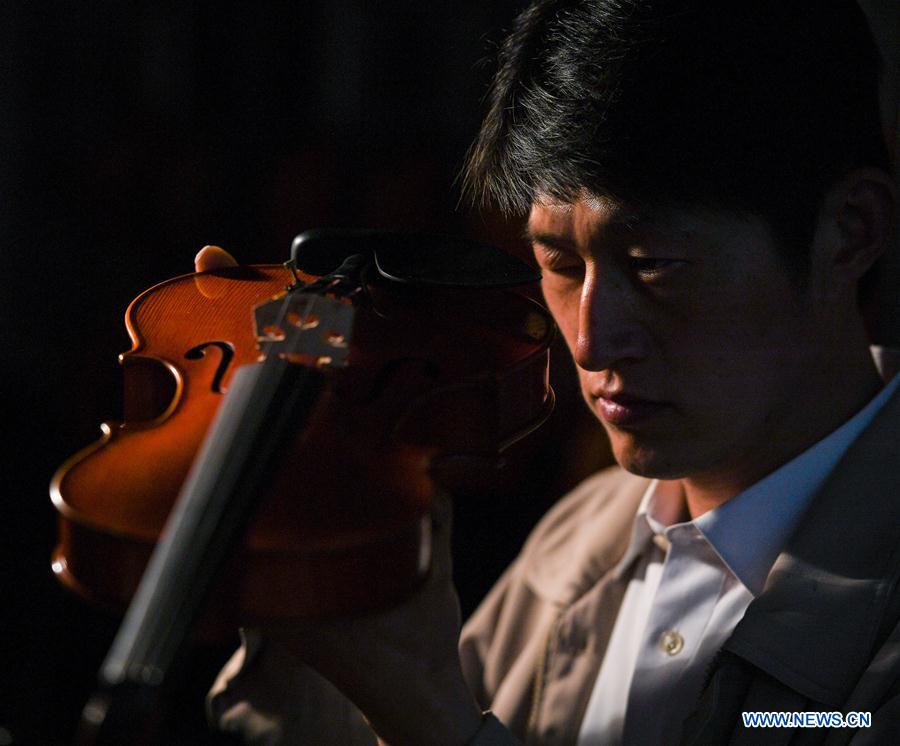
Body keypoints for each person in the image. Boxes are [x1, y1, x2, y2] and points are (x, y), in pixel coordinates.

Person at [200, 0, 900, 743]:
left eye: (655, 264)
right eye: (560, 264)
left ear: (848, 230)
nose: (590, 342)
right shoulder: (579, 542)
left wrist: (428, 715)